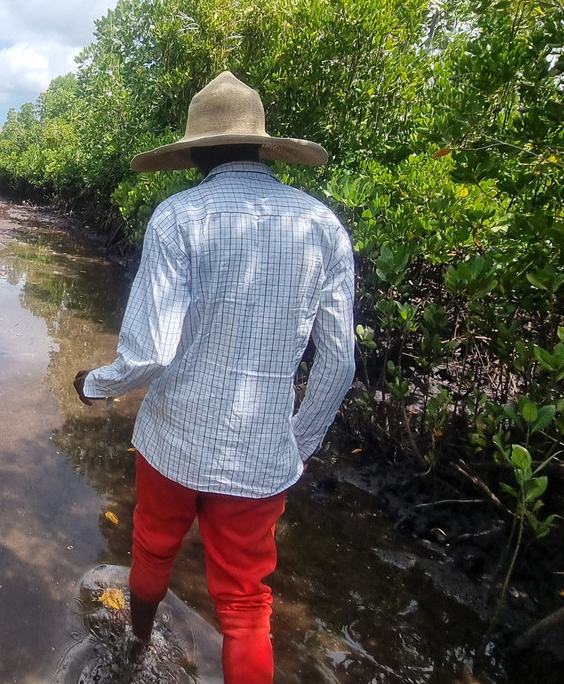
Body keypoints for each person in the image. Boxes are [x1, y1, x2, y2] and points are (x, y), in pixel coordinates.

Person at [74, 71, 355, 684]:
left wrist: (95, 384)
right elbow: (338, 363)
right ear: (261, 146)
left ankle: (135, 653)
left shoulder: (178, 217)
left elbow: (151, 352)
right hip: (260, 456)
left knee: (152, 549)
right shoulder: (322, 224)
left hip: (173, 441)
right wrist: (296, 445)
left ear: (196, 153)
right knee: (247, 606)